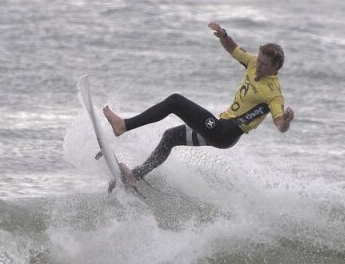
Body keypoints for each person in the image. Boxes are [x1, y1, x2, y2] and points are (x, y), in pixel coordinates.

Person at [102, 21, 294, 185]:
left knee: (175, 101)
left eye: (264, 65)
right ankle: (136, 176)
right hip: (219, 127)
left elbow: (280, 126)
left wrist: (285, 120)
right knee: (171, 137)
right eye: (259, 61)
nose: (258, 66)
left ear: (275, 68)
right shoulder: (253, 62)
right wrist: (223, 35)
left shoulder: (274, 95)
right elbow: (233, 48)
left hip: (226, 132)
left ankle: (123, 125)